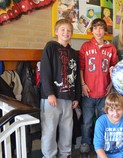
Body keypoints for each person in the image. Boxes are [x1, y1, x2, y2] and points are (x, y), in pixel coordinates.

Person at [40, 19, 81, 158]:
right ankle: (49, 155)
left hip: (68, 99)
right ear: (56, 32)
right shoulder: (50, 48)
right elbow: (45, 72)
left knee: (67, 129)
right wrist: (50, 93)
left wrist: (77, 97)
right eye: (62, 30)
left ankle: (65, 154)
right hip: (52, 98)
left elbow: (76, 77)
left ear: (72, 34)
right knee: (49, 129)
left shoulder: (74, 53)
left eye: (69, 30)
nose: (66, 33)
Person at [79, 18, 118, 154]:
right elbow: (81, 68)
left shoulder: (111, 48)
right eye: (95, 28)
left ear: (105, 31)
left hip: (104, 92)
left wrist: (111, 84)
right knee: (87, 121)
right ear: (92, 31)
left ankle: (100, 145)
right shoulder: (85, 47)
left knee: (102, 121)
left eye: (101, 28)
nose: (98, 31)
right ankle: (85, 142)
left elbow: (114, 68)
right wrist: (83, 84)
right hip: (88, 91)